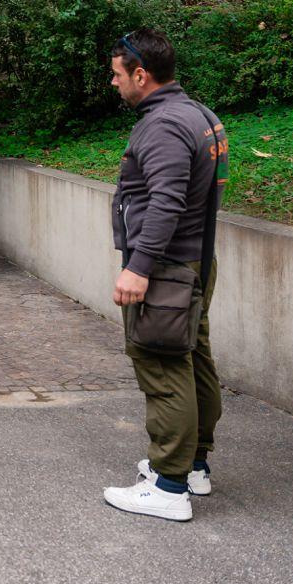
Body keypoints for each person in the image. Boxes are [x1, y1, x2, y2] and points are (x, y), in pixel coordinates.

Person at [102, 28, 229, 523]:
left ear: (141, 74)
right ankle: (194, 465)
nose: (113, 84)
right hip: (195, 262)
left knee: (161, 364)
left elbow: (166, 201)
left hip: (168, 269)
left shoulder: (163, 126)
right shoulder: (199, 115)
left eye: (117, 75)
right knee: (194, 358)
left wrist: (139, 267)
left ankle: (169, 484)